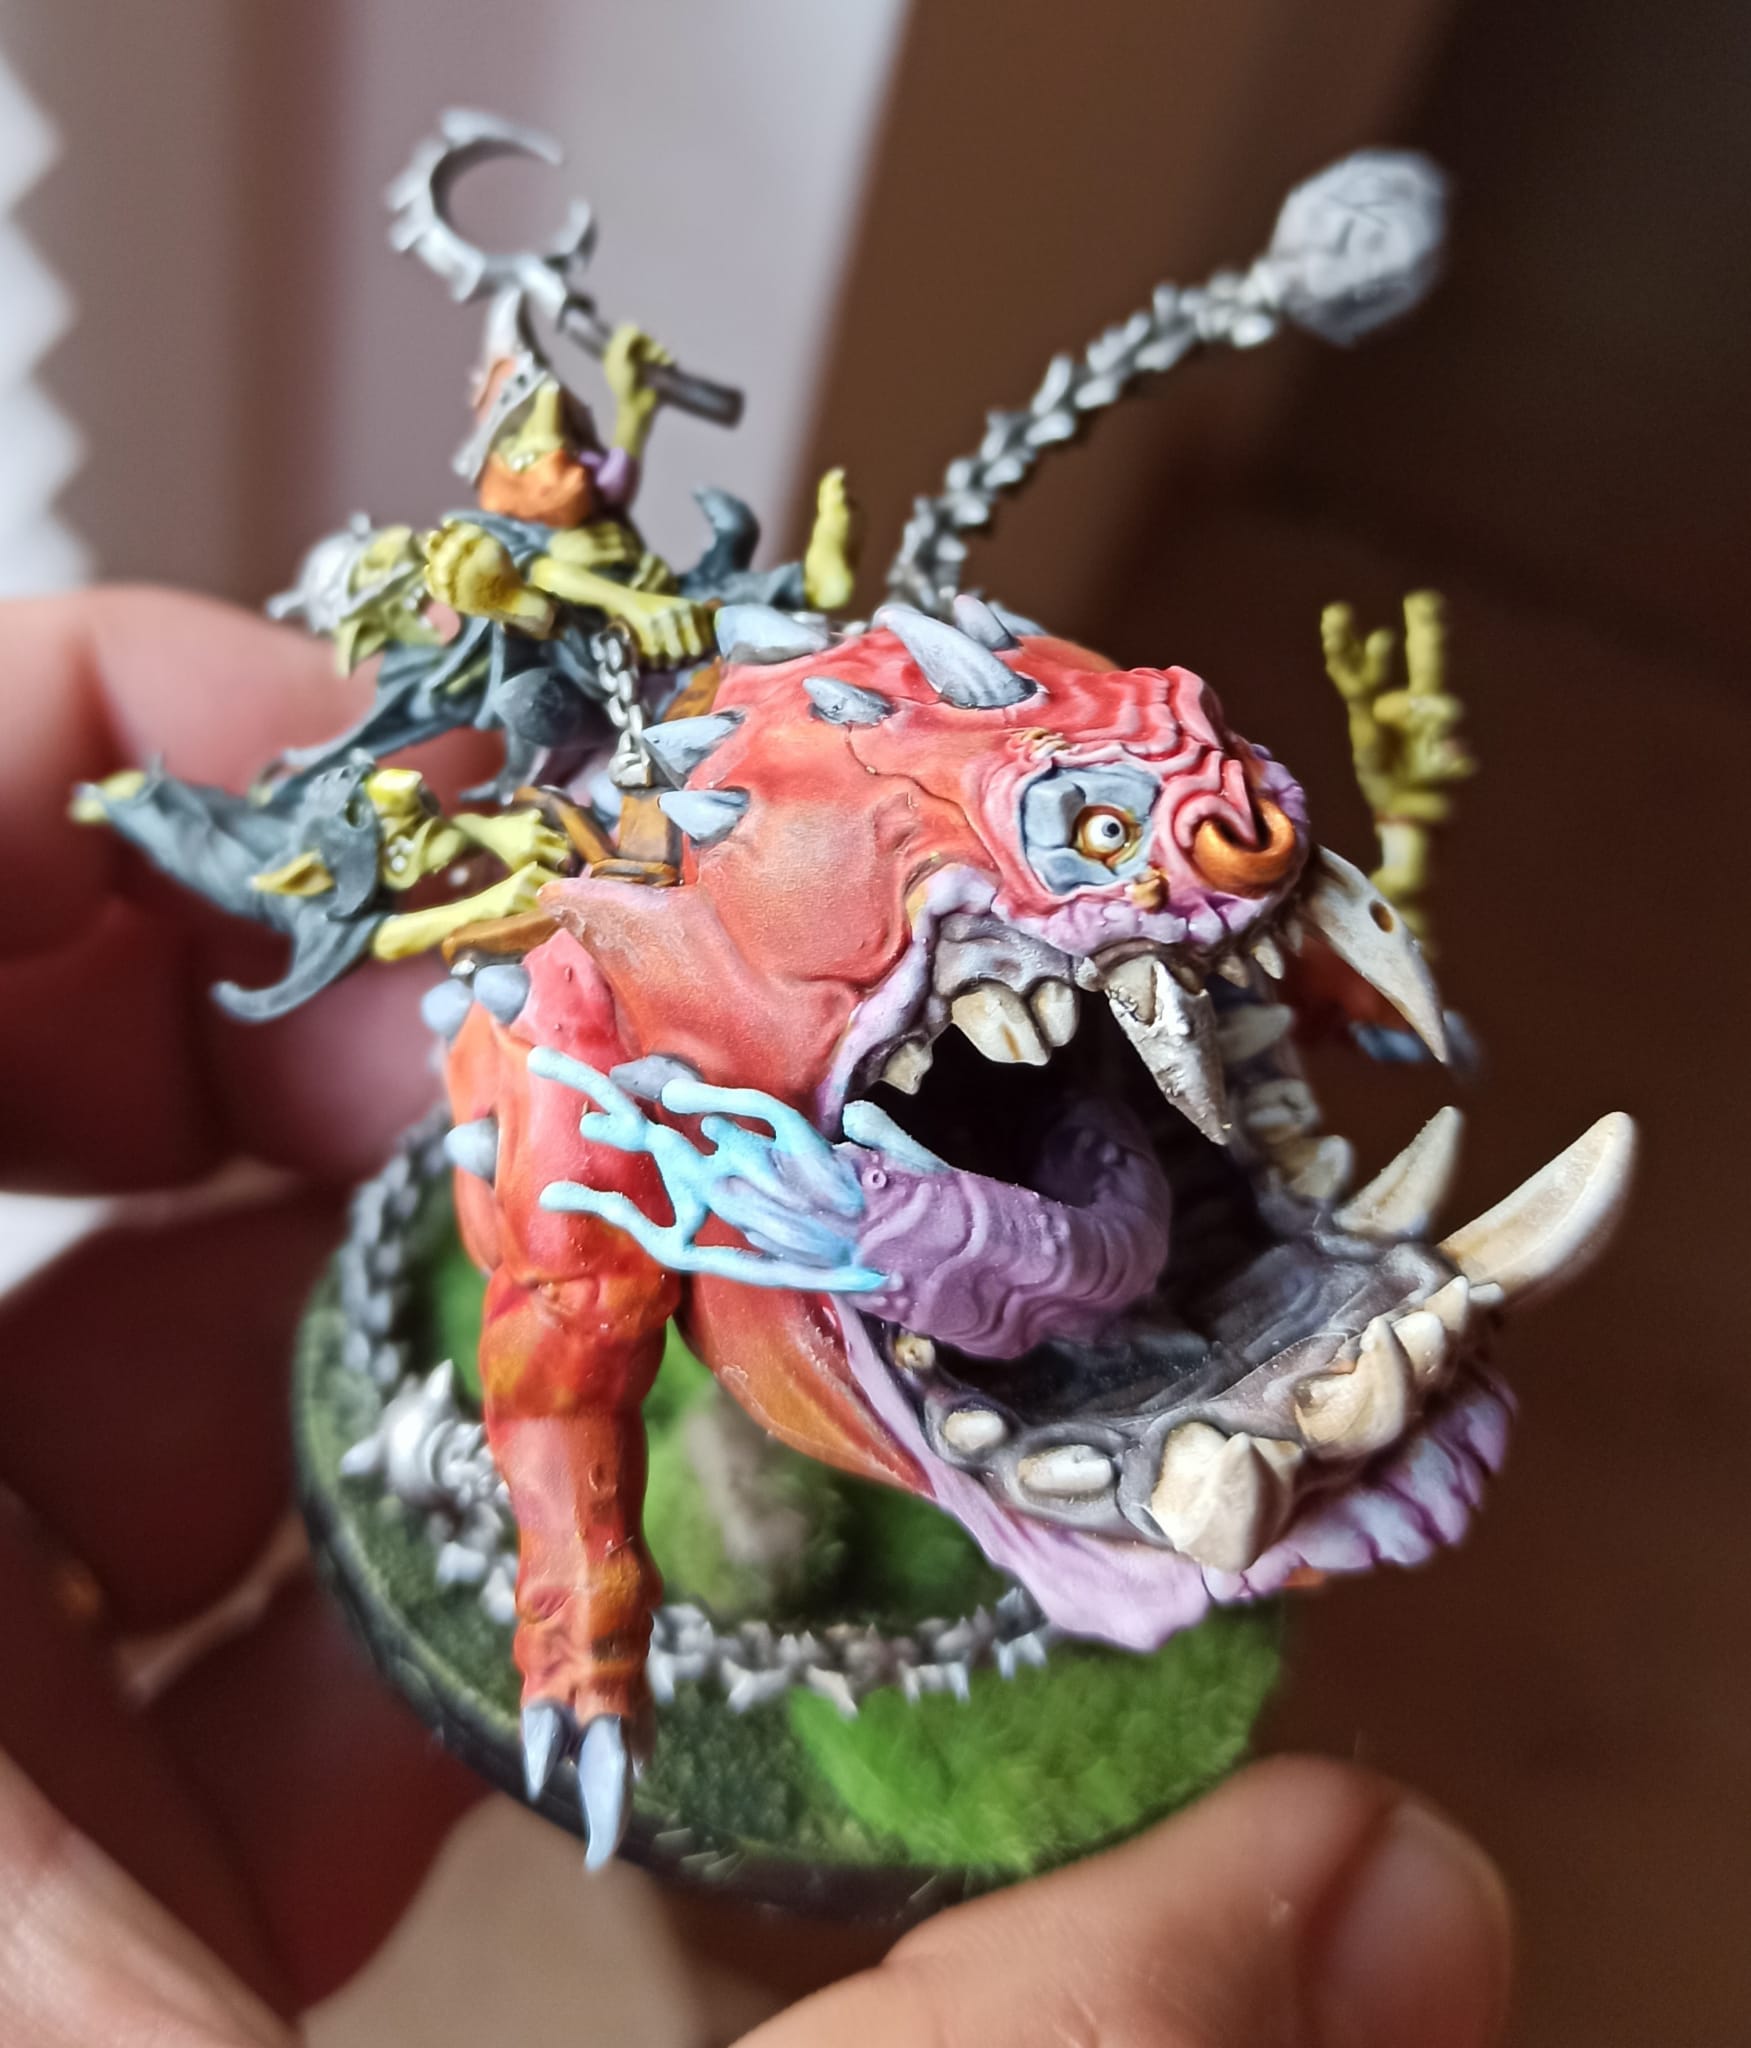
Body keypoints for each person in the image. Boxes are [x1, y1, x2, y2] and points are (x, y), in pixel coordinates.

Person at [0, 588, 1512, 2045]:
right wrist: (582, 1623)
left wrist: (1296, 965)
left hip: (907, 950)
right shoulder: (590, 1037)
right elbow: (558, 1356)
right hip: (696, 1049)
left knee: (1135, 1065)